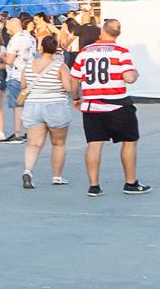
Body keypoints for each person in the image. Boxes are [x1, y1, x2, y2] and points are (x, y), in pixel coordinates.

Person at [70, 18, 149, 196]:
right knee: (129, 141)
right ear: (118, 34)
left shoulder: (85, 52)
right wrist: (135, 73)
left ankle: (94, 186)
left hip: (92, 105)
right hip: (118, 105)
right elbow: (129, 78)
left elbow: (74, 78)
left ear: (102, 31)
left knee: (94, 144)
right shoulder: (121, 52)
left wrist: (76, 97)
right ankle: (130, 183)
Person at [18, 34, 73, 188]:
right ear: (55, 49)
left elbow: (23, 85)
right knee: (58, 143)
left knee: (33, 143)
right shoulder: (60, 66)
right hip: (56, 105)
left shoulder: (29, 65)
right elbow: (68, 87)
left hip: (33, 105)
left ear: (41, 48)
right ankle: (57, 176)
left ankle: (28, 171)